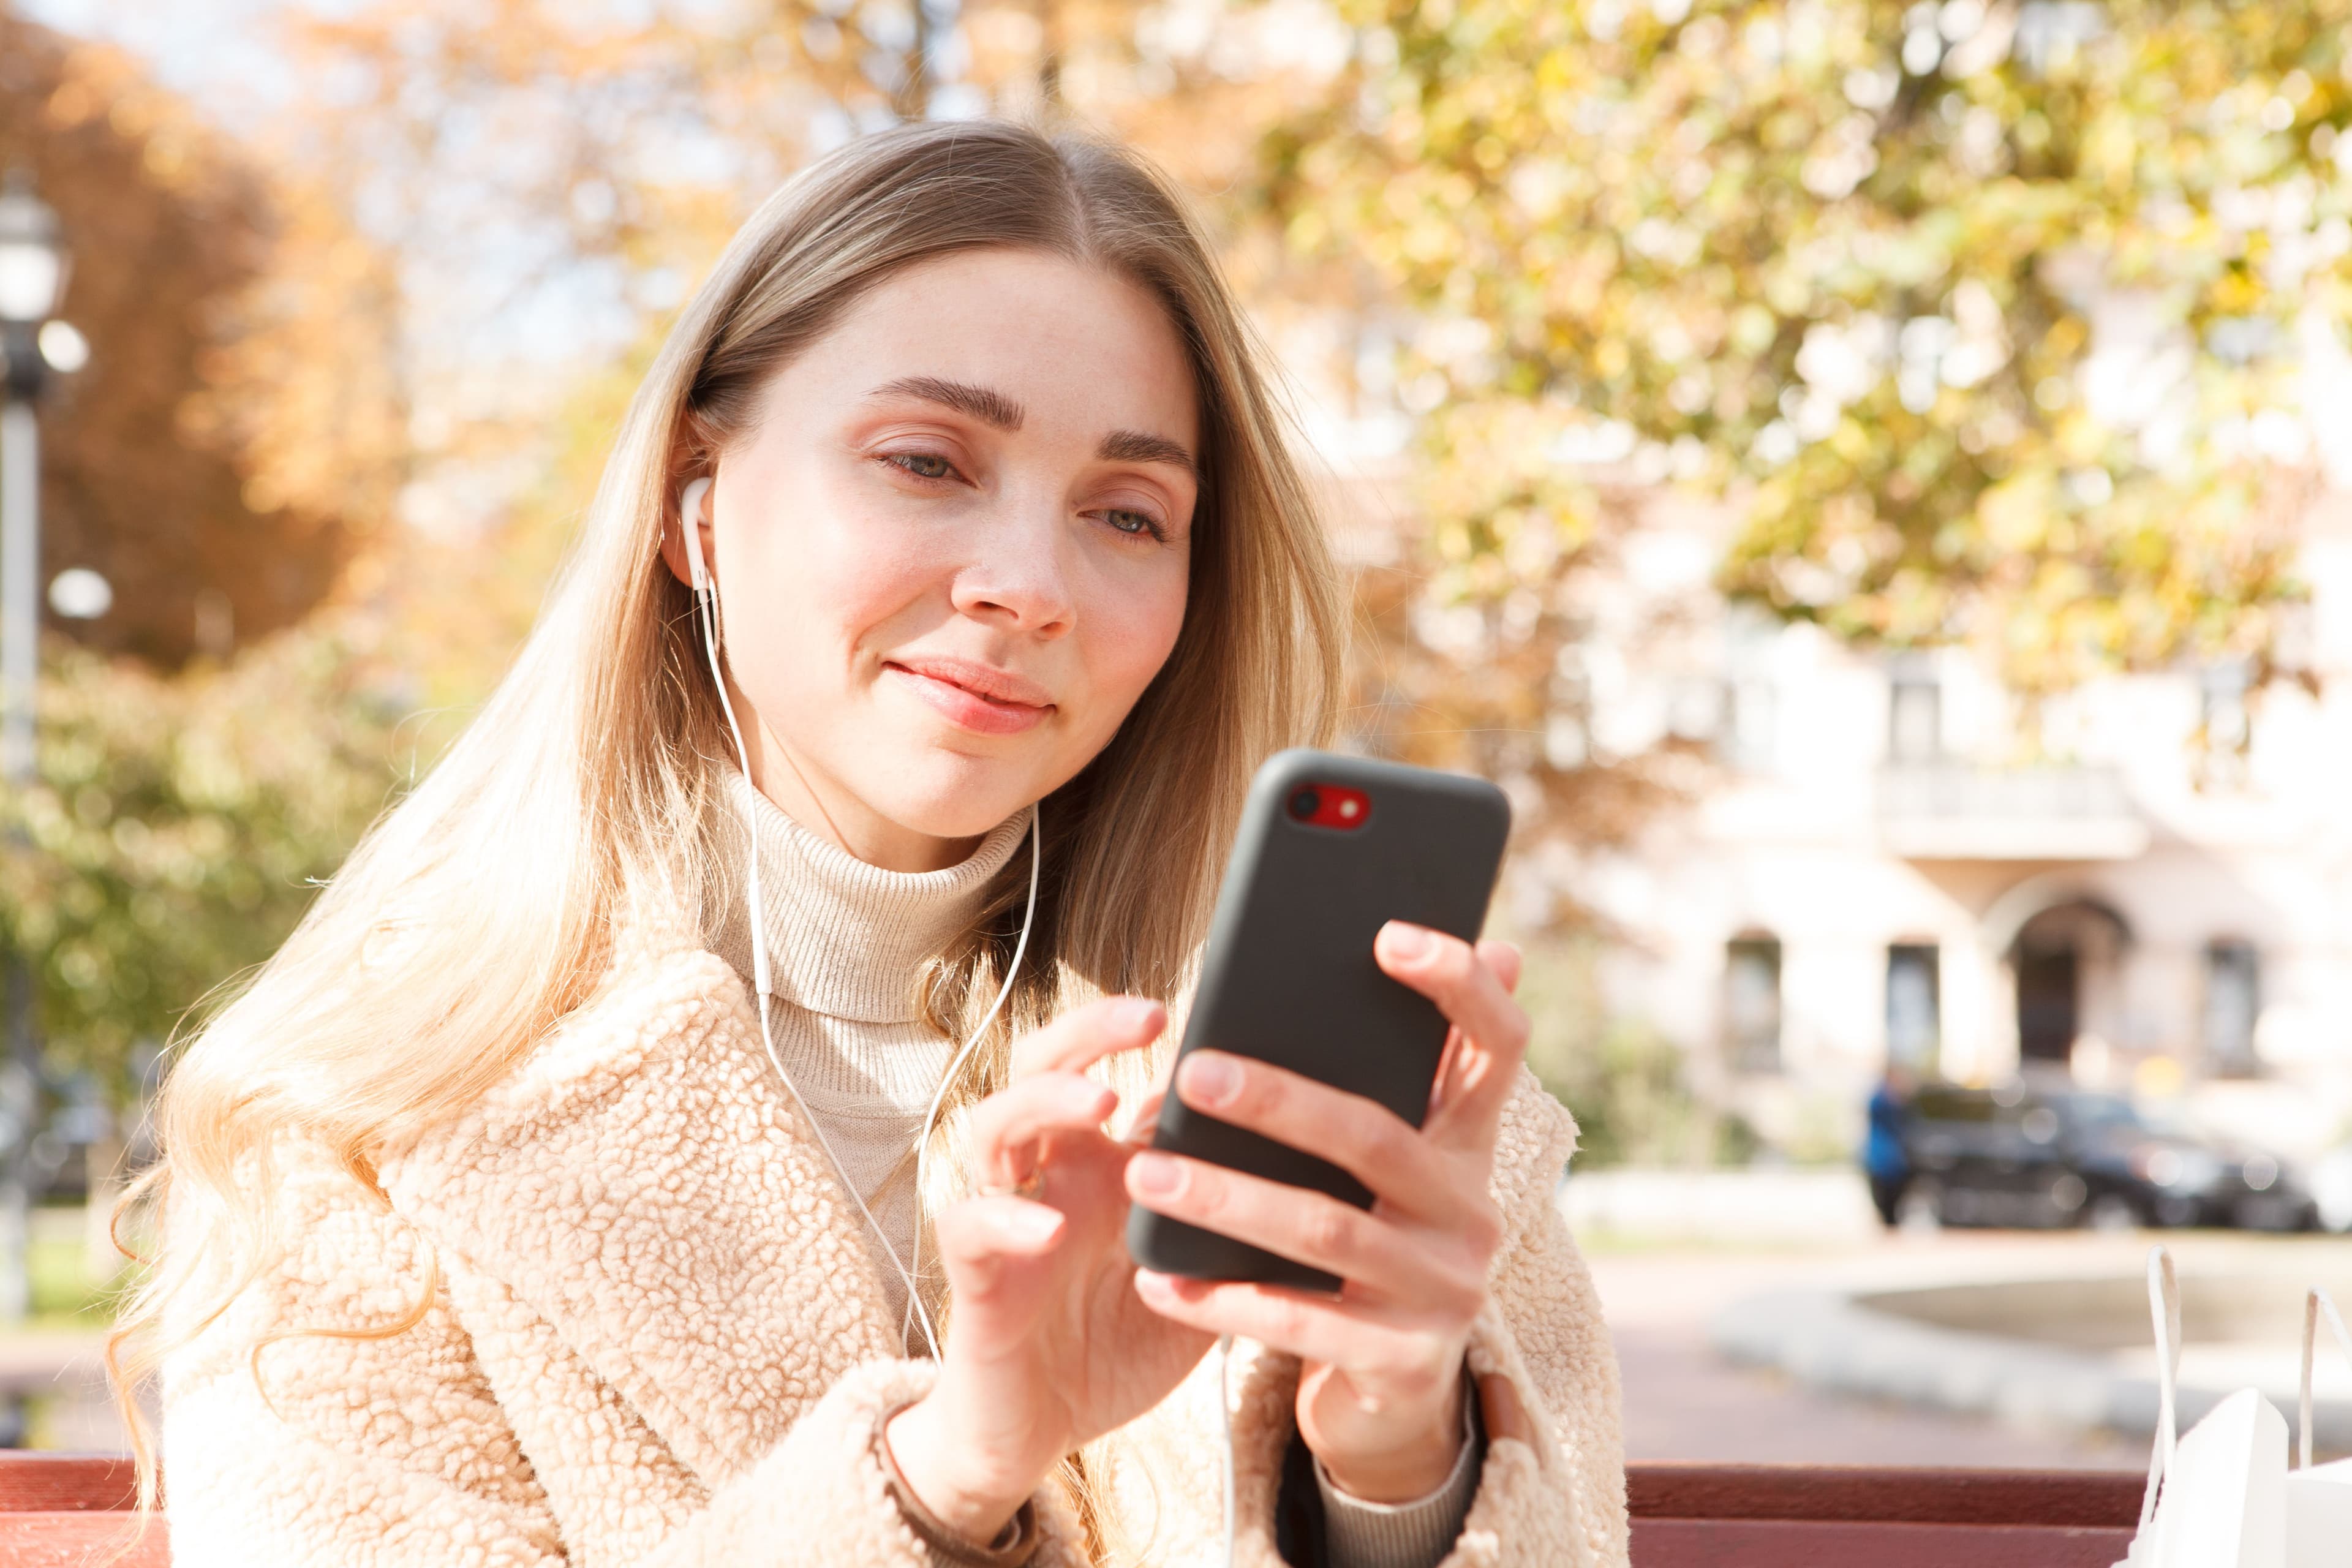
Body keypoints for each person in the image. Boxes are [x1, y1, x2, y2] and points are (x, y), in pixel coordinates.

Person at [111, 121, 1626, 1568]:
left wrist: (1389, 1466)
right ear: (694, 505)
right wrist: (945, 1469)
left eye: (1126, 512)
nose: (1029, 583)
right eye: (925, 460)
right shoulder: (363, 1117)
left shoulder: (1358, 1112)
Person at [1864, 1066, 1917, 1228]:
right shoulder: (1881, 1100)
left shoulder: (1895, 1101)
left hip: (1894, 1161)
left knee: (1893, 1207)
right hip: (1882, 1160)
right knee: (1885, 1206)